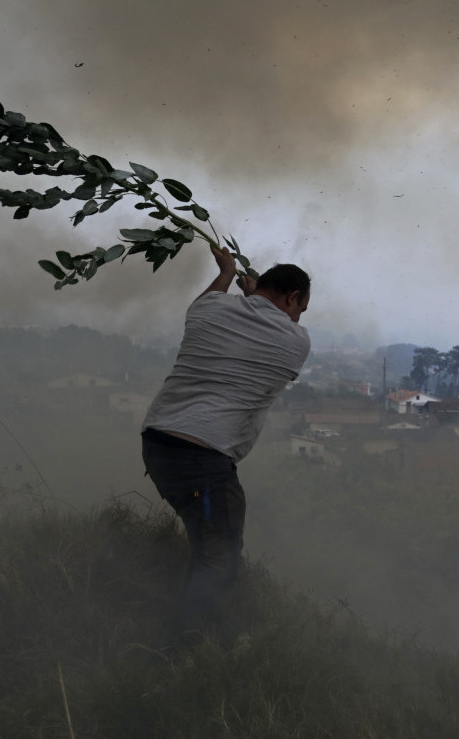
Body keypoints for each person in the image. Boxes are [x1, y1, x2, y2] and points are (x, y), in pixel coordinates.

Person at [141, 244, 311, 644]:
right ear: (292, 297)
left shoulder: (207, 310)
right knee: (219, 561)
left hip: (157, 444)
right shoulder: (296, 342)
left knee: (208, 545)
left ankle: (211, 633)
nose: (299, 317)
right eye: (300, 307)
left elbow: (211, 304)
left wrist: (225, 272)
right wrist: (254, 297)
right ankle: (178, 653)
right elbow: (261, 330)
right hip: (202, 460)